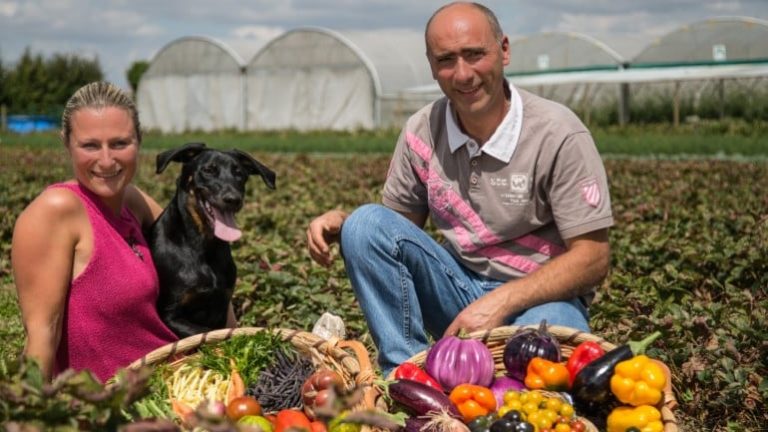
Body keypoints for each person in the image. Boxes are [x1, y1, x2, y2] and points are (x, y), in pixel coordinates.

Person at [307, 1, 613, 375]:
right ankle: (407, 377)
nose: (463, 74)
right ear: (432, 65)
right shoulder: (422, 131)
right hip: (456, 289)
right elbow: (395, 228)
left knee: (543, 367)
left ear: (504, 50)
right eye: (447, 59)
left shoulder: (557, 133)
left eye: (474, 54)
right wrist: (346, 221)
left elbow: (593, 257)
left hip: (541, 298)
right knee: (366, 224)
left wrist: (501, 302)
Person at [11, 82, 235, 382]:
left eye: (119, 144)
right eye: (90, 145)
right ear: (66, 143)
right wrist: (31, 417)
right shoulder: (56, 210)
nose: (106, 160)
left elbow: (206, 260)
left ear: (139, 141)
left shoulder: (134, 202)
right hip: (113, 408)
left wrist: (237, 350)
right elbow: (42, 334)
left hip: (181, 383)